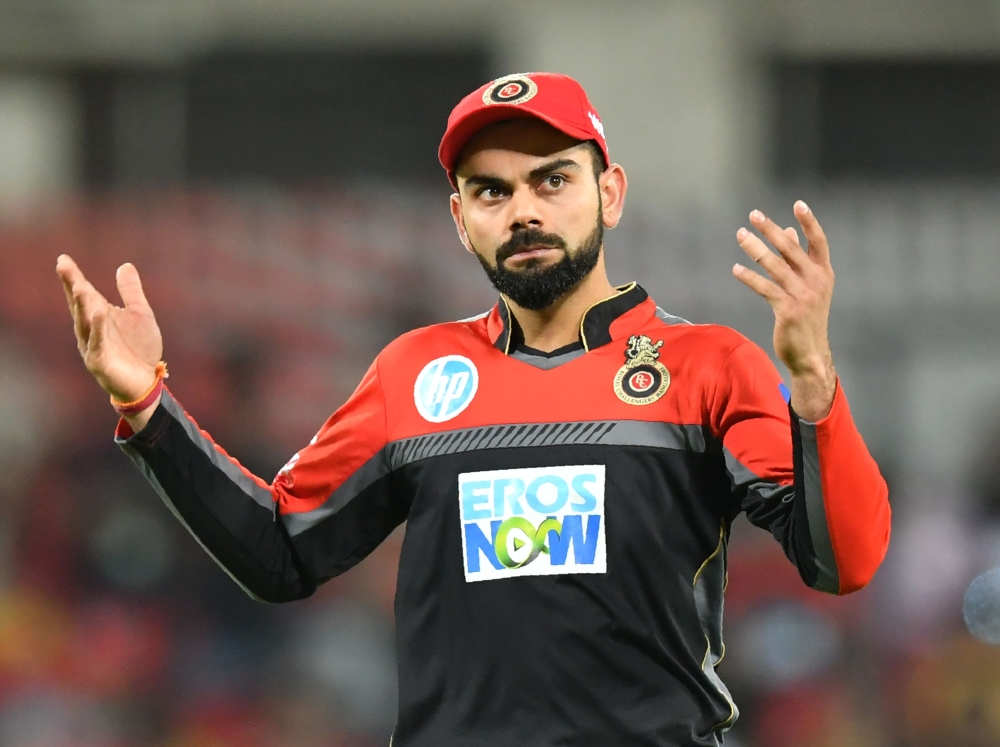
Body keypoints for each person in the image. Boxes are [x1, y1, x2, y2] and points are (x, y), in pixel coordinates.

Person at [56, 72, 891, 746]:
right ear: (461, 221)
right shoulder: (413, 373)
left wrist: (814, 382)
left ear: (611, 192)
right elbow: (281, 551)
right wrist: (148, 406)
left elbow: (841, 561)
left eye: (552, 180)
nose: (522, 210)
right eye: (490, 192)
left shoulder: (707, 365)